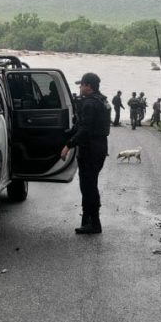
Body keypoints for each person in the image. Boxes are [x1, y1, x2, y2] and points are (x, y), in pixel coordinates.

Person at [60, 72, 110, 235]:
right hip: (99, 147)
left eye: (81, 85)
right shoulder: (101, 100)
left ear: (88, 86)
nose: (80, 88)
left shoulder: (89, 103)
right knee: (89, 184)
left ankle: (94, 223)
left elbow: (85, 129)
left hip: (91, 149)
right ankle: (88, 219)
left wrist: (68, 145)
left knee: (88, 186)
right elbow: (83, 126)